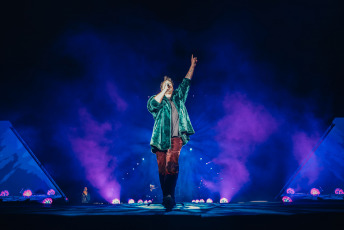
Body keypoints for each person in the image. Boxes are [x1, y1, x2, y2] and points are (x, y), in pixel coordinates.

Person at [147, 54, 197, 211]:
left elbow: (186, 83)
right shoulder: (157, 101)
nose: (169, 86)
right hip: (159, 140)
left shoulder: (178, 97)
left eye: (170, 84)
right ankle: (168, 197)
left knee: (172, 165)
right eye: (165, 85)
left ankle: (168, 197)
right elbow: (151, 105)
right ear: (162, 87)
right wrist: (162, 91)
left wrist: (192, 66)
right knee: (162, 170)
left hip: (176, 138)